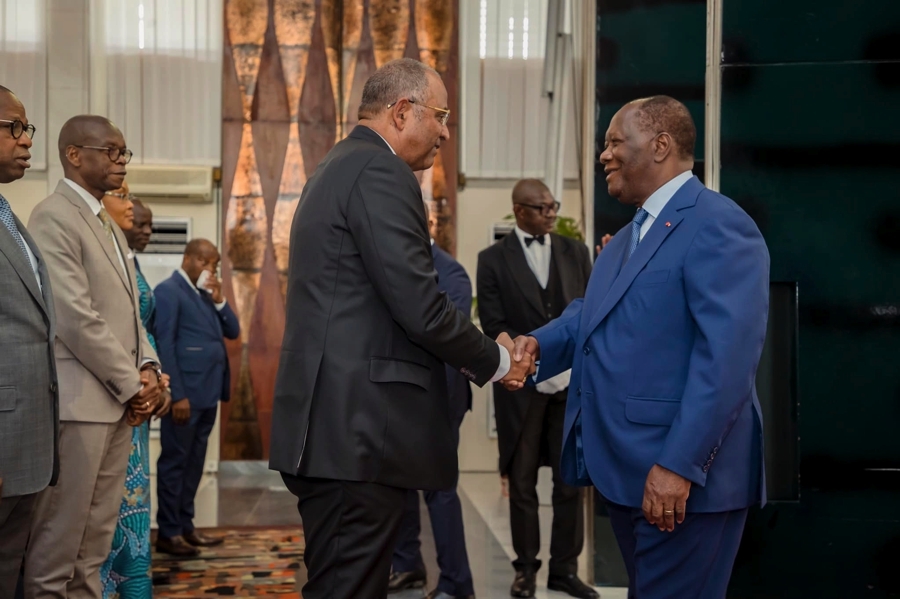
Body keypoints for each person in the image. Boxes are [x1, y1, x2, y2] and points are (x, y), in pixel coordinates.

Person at [269, 57, 534, 599]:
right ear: (402, 111)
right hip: (358, 435)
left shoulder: (337, 166)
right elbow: (421, 306)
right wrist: (500, 361)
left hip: (336, 431)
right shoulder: (380, 171)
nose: (445, 132)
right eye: (440, 116)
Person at [509, 96, 769, 599]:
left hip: (682, 481)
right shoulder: (631, 236)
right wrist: (535, 345)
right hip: (630, 476)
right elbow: (591, 313)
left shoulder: (718, 224)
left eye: (614, 142)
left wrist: (679, 465)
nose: (603, 154)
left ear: (660, 145)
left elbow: (727, 362)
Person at [24, 115, 162, 599]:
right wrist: (132, 384)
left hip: (117, 405)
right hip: (81, 407)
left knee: (94, 553)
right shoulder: (53, 216)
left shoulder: (109, 224)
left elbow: (131, 312)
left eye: (124, 152)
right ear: (74, 155)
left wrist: (149, 367)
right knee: (57, 551)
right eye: (111, 151)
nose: (121, 161)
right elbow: (76, 316)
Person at [476, 180, 596, 599]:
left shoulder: (576, 252)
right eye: (542, 207)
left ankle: (565, 570)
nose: (551, 213)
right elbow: (493, 323)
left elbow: (589, 312)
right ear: (519, 211)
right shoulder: (492, 259)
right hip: (521, 387)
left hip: (570, 386)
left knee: (570, 482)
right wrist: (527, 363)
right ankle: (525, 569)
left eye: (553, 205)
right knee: (522, 481)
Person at [387, 202, 476, 599]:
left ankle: (457, 583)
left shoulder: (451, 273)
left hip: (440, 398)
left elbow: (446, 338)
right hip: (400, 397)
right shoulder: (393, 265)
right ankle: (408, 565)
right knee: (399, 484)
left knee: (439, 491)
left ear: (429, 223)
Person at [0, 85, 58, 599]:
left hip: (25, 442)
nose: (26, 140)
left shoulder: (9, 217)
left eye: (27, 128)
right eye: (13, 127)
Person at [99, 187, 171, 598]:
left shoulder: (128, 257)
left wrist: (157, 378)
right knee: (102, 527)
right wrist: (137, 386)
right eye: (120, 195)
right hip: (111, 399)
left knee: (135, 517)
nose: (128, 203)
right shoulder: (88, 244)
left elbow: (143, 331)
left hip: (138, 405)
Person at [153, 239, 239, 556]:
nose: (210, 269)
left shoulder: (204, 295)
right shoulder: (168, 291)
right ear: (187, 258)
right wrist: (177, 395)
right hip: (185, 397)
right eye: (205, 261)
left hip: (208, 393)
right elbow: (166, 344)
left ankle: (186, 525)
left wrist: (220, 300)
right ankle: (169, 532)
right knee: (175, 463)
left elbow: (233, 331)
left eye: (214, 264)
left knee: (194, 464)